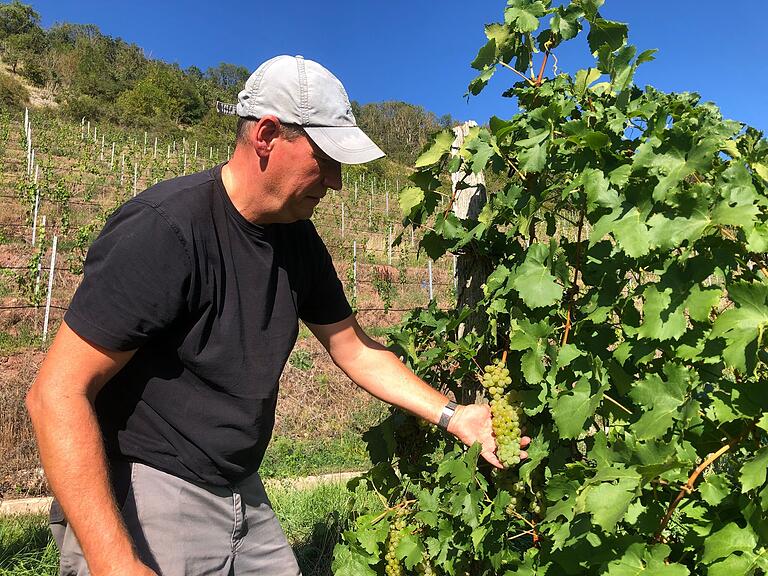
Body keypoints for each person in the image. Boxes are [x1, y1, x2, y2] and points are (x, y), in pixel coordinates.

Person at [26, 55, 530, 576]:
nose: (336, 181)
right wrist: (114, 562)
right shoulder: (166, 230)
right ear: (267, 134)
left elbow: (352, 347)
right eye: (326, 157)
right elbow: (56, 394)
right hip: (149, 486)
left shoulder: (297, 239)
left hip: (240, 485)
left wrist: (455, 415)